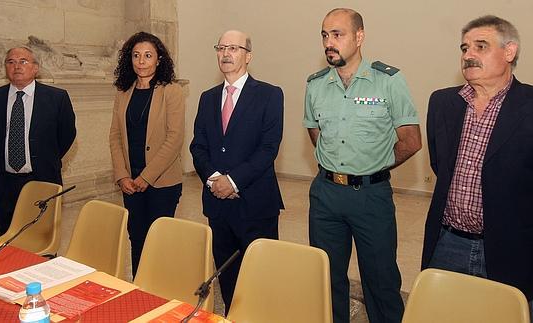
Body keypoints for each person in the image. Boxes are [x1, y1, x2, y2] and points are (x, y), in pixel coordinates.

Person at [304, 8, 421, 323]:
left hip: (371, 196)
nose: (330, 42)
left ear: (359, 36)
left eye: (338, 34)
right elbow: (317, 134)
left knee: (381, 280)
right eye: (325, 35)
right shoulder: (315, 84)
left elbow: (411, 140)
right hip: (326, 194)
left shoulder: (388, 81)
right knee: (327, 278)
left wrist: (374, 165)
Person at [423, 15, 533, 316]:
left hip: (510, 248)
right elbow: (440, 164)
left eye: (480, 46)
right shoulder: (442, 103)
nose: (468, 55)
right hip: (447, 242)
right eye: (464, 48)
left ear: (509, 52)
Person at [189, 30, 284, 312]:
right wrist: (214, 179)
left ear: (248, 55)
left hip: (255, 204)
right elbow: (198, 146)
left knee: (260, 278)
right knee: (227, 279)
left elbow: (268, 148)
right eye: (221, 48)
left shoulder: (269, 94)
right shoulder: (207, 98)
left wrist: (233, 180)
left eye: (234, 48)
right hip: (218, 206)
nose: (226, 53)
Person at [109, 32, 184, 277]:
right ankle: (140, 287)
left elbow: (174, 139)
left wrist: (146, 177)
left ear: (159, 59)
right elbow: (115, 137)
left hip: (162, 182)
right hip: (130, 182)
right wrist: (122, 176)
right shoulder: (123, 92)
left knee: (158, 239)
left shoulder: (171, 91)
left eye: (148, 55)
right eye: (136, 55)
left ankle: (160, 290)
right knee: (137, 237)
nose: (141, 61)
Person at [0, 47, 76, 236]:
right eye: (11, 62)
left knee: (42, 240)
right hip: (4, 182)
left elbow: (67, 135)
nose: (16, 66)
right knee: (8, 242)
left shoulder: (57, 98)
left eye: (23, 61)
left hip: (42, 179)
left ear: (35, 68)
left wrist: (46, 158)